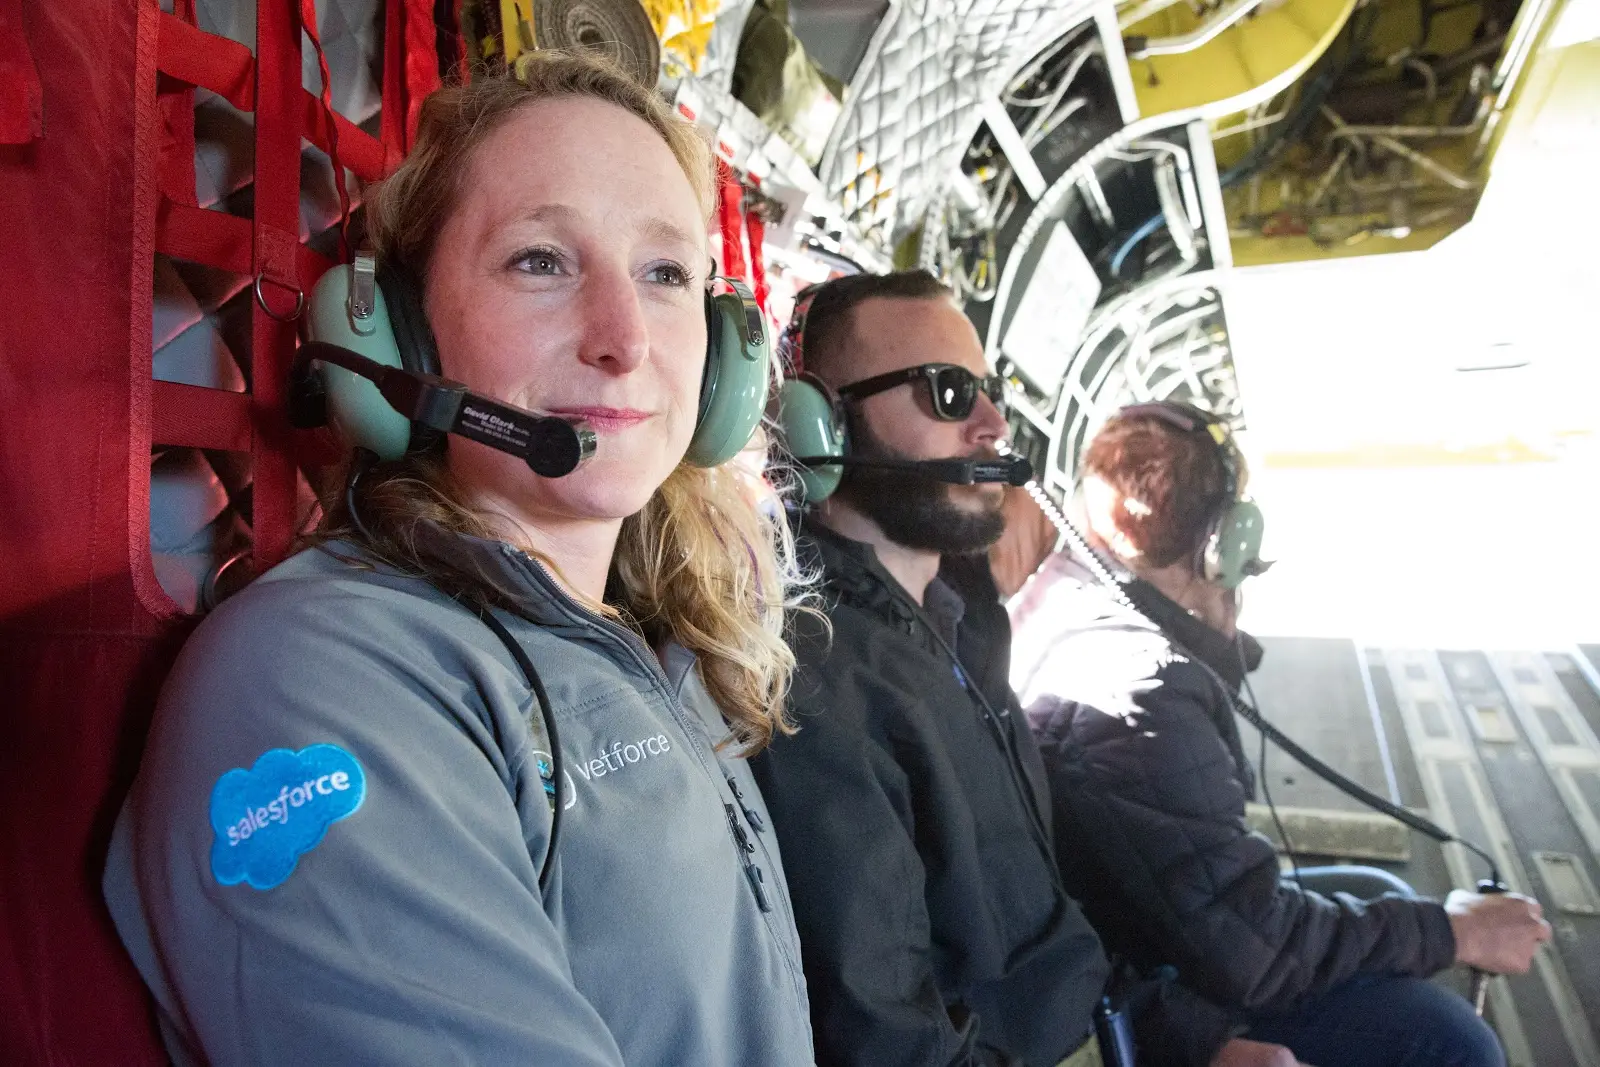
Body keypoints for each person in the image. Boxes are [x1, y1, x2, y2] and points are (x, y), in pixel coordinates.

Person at [103, 52, 814, 1066]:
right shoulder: (317, 680)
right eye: (540, 260)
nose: (623, 338)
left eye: (665, 273)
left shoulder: (658, 642)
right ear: (399, 334)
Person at [751, 272, 1290, 1067]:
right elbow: (895, 1045)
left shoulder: (961, 619)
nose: (992, 422)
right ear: (821, 423)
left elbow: (1055, 938)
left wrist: (1201, 1042)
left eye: (987, 390)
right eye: (946, 392)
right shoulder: (818, 681)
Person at [1009, 402, 1553, 1067]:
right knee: (1450, 1038)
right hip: (1143, 969)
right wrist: (1451, 931)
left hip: (1134, 922)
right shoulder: (1142, 692)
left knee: (1385, 894)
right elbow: (1254, 950)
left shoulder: (1073, 593)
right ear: (1221, 545)